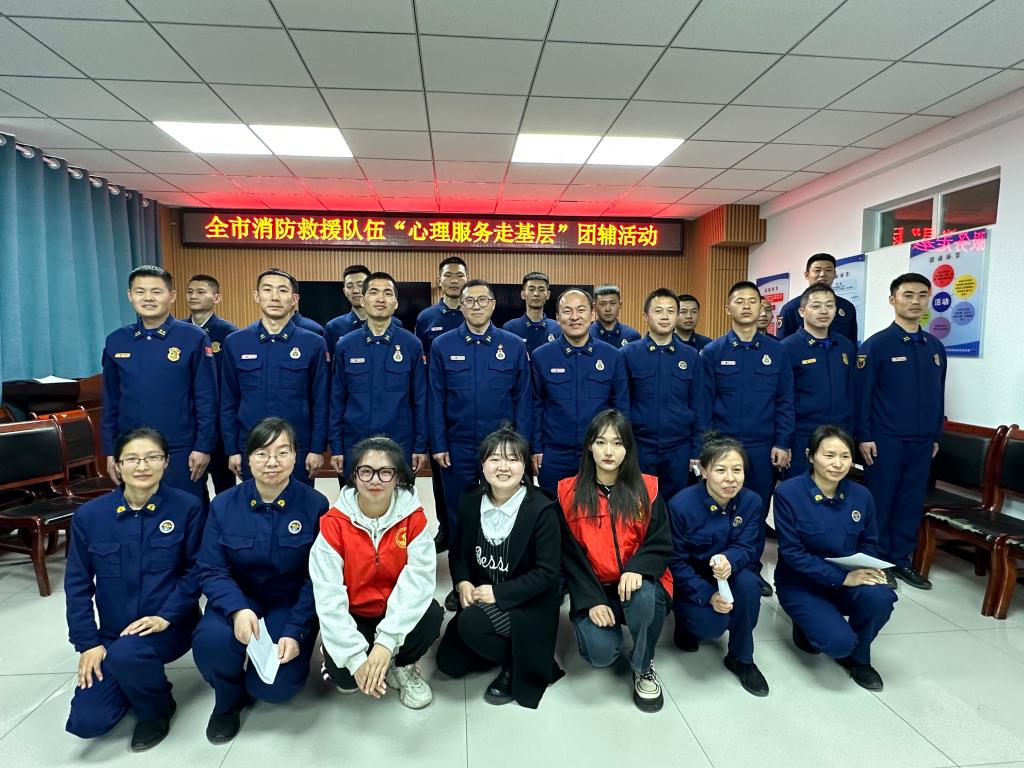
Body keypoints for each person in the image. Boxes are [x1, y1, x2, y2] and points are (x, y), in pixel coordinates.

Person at [64, 428, 203, 751]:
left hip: (170, 626)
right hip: (113, 634)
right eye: (132, 459)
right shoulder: (90, 516)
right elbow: (77, 585)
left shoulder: (187, 507)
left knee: (129, 654)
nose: (143, 466)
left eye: (152, 457)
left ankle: (158, 709)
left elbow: (197, 570)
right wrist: (88, 643)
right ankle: (132, 678)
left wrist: (166, 615)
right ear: (117, 465)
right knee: (88, 721)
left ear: (166, 462)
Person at [192, 417, 329, 743]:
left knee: (275, 687)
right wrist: (237, 609)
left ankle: (259, 674)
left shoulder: (315, 505)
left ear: (295, 457)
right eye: (262, 453)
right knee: (210, 642)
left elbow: (319, 576)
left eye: (282, 452)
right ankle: (228, 698)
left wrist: (295, 629)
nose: (272, 462)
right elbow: (211, 569)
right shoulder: (223, 505)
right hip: (240, 597)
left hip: (288, 602)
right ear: (248, 458)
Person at [311, 436, 443, 709]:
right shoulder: (333, 525)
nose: (375, 480)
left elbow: (419, 581)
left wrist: (386, 643)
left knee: (431, 614)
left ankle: (401, 665)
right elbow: (328, 597)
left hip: (394, 611)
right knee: (346, 679)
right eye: (366, 471)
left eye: (385, 472)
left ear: (397, 478)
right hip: (355, 613)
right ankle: (343, 655)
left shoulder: (413, 519)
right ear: (354, 476)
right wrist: (355, 659)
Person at [436, 425, 563, 708]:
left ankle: (520, 663)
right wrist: (462, 581)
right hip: (485, 598)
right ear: (482, 465)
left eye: (513, 459)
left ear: (525, 466)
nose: (503, 467)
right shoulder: (471, 501)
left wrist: (498, 593)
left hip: (526, 603)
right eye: (494, 459)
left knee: (470, 624)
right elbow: (457, 552)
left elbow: (546, 574)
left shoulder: (541, 510)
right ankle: (506, 647)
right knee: (448, 663)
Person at [559, 410, 673, 713]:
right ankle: (605, 626)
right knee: (600, 654)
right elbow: (570, 556)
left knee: (645, 594)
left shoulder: (647, 489)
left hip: (637, 584)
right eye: (601, 442)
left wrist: (637, 568)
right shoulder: (568, 494)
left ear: (628, 448)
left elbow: (660, 541)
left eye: (617, 443)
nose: (608, 451)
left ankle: (643, 665)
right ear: (589, 446)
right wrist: (591, 601)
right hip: (595, 588)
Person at [428, 279, 532, 602]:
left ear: (493, 305)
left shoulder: (512, 345)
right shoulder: (443, 345)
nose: (476, 306)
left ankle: (502, 579)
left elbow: (523, 398)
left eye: (482, 300)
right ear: (460, 306)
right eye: (469, 301)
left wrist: (521, 448)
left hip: (502, 449)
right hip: (457, 446)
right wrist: (439, 443)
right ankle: (462, 582)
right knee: (460, 516)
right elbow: (435, 397)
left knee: (504, 510)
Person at [774, 425, 897, 690]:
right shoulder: (789, 493)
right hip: (802, 583)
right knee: (837, 643)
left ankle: (859, 658)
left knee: (881, 597)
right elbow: (792, 553)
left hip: (847, 579)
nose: (838, 464)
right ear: (810, 456)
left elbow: (869, 542)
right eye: (829, 455)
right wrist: (842, 578)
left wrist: (867, 570)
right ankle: (806, 623)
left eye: (845, 456)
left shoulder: (861, 495)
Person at [701, 281, 794, 597]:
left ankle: (750, 569)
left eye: (752, 301)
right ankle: (716, 568)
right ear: (728, 308)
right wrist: (707, 448)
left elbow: (785, 400)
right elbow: (704, 404)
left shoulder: (776, 351)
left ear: (761, 308)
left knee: (755, 508)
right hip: (722, 446)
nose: (746, 306)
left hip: (762, 446)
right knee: (719, 507)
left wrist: (782, 442)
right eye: (739, 301)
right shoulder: (713, 352)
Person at [855, 272, 946, 590]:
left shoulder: (934, 346)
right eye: (908, 295)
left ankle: (901, 560)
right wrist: (864, 435)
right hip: (885, 439)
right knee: (881, 502)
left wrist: (936, 435)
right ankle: (876, 562)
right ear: (892, 299)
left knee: (910, 502)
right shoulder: (877, 345)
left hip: (922, 441)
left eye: (922, 295)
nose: (915, 301)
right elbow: (862, 395)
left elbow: (939, 394)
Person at [101, 265, 216, 500]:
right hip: (131, 449)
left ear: (171, 296)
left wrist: (203, 447)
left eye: (156, 291)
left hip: (180, 448)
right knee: (138, 511)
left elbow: (207, 398)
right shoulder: (117, 340)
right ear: (130, 295)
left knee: (187, 510)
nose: (148, 298)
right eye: (140, 291)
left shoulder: (193, 337)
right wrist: (111, 450)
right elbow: (110, 401)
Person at [667, 432, 768, 696]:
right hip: (692, 583)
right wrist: (707, 594)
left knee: (749, 584)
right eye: (721, 470)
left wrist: (730, 561)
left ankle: (741, 658)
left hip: (731, 574)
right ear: (703, 471)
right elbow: (675, 561)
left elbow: (748, 546)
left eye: (737, 470)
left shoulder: (751, 502)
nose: (730, 478)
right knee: (712, 624)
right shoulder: (680, 505)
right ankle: (685, 623)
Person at [220, 268, 329, 486]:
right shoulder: (236, 342)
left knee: (298, 504)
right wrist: (232, 449)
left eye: (282, 290)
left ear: (294, 299)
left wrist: (317, 449)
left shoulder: (313, 343)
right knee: (254, 504)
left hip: (297, 448)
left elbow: (321, 401)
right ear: (257, 296)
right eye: (267, 290)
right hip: (251, 446)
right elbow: (228, 401)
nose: (275, 297)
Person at [329, 271, 427, 479]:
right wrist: (336, 447)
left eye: (387, 293)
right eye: (373, 292)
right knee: (354, 498)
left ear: (396, 303)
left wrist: (420, 446)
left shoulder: (411, 344)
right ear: (363, 300)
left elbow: (420, 400)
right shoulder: (346, 345)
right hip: (355, 444)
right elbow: (336, 400)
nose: (381, 298)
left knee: (398, 498)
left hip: (400, 445)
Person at [531, 288, 628, 493]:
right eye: (567, 311)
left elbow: (621, 406)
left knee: (598, 508)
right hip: (555, 454)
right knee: (554, 508)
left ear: (592, 314)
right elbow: (536, 405)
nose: (574, 317)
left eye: (581, 310)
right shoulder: (542, 356)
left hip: (598, 452)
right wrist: (536, 448)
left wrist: (619, 446)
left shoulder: (612, 356)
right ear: (558, 318)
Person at [621, 288, 706, 501]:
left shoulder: (691, 356)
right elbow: (621, 405)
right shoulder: (628, 354)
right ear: (646, 316)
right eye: (658, 311)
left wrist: (697, 450)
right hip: (639, 447)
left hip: (679, 449)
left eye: (671, 311)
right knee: (639, 505)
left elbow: (699, 407)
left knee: (677, 505)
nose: (665, 316)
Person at [415, 256, 468, 552]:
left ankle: (465, 533)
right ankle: (445, 528)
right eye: (448, 275)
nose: (454, 280)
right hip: (438, 404)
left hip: (464, 404)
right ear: (440, 281)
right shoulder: (427, 318)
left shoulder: (474, 311)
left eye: (459, 275)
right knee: (441, 479)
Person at [780, 284, 855, 478]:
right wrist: (783, 441)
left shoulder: (845, 346)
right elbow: (782, 398)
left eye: (829, 306)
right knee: (799, 490)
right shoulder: (787, 348)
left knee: (835, 490)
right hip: (801, 436)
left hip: (839, 434)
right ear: (802, 311)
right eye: (816, 306)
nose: (824, 311)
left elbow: (853, 391)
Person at [186, 273, 238, 495]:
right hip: (189, 419)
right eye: (190, 292)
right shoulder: (180, 331)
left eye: (200, 292)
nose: (194, 296)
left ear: (216, 298)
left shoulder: (229, 333)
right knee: (192, 483)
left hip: (219, 420)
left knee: (223, 484)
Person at [777, 253, 858, 345]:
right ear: (806, 275)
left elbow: (852, 343)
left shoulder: (847, 307)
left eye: (828, 270)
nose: (823, 274)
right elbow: (782, 346)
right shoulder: (791, 308)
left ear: (835, 274)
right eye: (817, 270)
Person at [502, 271, 560, 353]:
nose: (536, 294)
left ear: (548, 295)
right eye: (531, 289)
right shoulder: (510, 328)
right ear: (523, 294)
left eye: (541, 290)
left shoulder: (558, 328)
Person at [325, 264, 370, 355]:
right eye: (349, 286)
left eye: (360, 285)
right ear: (345, 292)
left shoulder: (392, 323)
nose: (355, 291)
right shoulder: (333, 327)